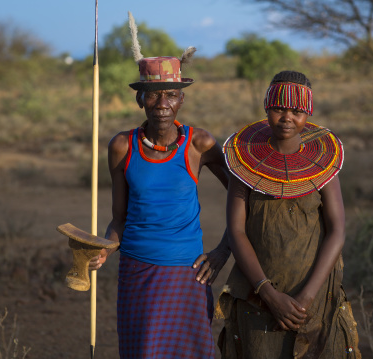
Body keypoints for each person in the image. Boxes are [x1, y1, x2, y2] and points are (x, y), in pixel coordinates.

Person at [88, 12, 230, 359]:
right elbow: (119, 218)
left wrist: (223, 250)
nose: (162, 104)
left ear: (182, 99)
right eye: (152, 95)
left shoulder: (200, 144)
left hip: (188, 273)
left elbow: (243, 197)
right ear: (140, 99)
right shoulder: (122, 146)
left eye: (170, 95)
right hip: (138, 271)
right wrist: (105, 248)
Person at [215, 70, 361, 358]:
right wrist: (268, 293)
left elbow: (337, 231)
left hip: (316, 299)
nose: (287, 117)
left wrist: (306, 297)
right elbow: (237, 231)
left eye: (297, 111)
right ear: (267, 107)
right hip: (258, 301)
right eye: (279, 108)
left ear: (308, 113)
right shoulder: (245, 162)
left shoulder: (323, 162)